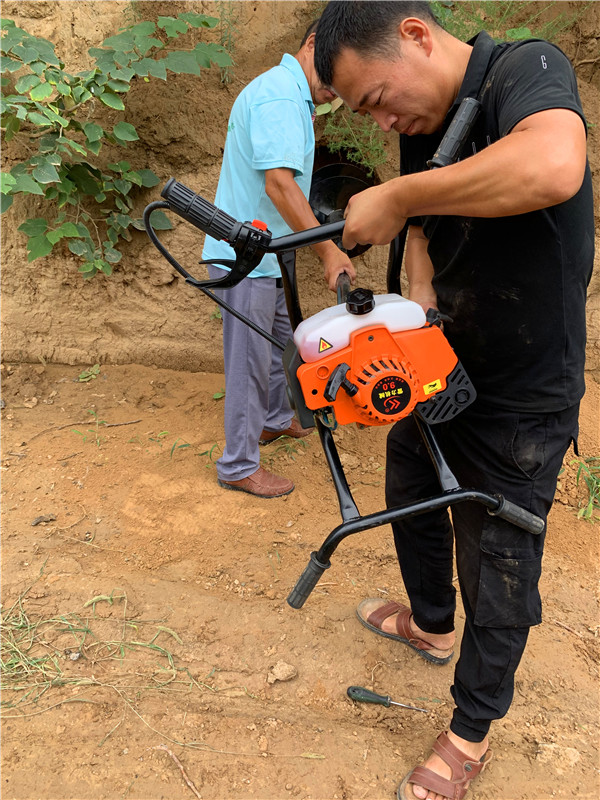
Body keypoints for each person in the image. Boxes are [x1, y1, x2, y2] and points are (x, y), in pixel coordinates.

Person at [314, 3, 593, 799]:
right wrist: (420, 309)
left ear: (414, 33)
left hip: (524, 391)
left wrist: (399, 196)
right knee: (410, 490)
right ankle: (433, 624)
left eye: (374, 98)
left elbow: (551, 166)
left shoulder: (522, 71)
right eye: (367, 112)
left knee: (499, 557)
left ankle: (470, 729)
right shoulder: (424, 127)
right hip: (445, 365)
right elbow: (431, 233)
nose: (382, 117)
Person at [202, 20, 355, 499]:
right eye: (332, 69)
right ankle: (238, 464)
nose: (338, 85)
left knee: (284, 344)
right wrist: (329, 251)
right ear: (312, 45)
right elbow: (280, 185)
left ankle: (273, 418)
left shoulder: (290, 98)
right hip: (243, 257)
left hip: (266, 255)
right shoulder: (281, 97)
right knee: (249, 361)